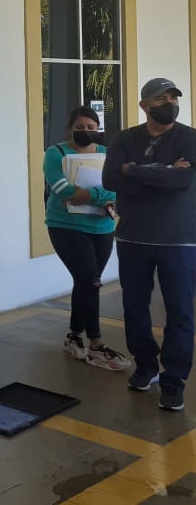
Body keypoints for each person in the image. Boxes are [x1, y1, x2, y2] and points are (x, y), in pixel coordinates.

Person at [103, 78, 196, 411]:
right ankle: (145, 366)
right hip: (133, 238)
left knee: (180, 310)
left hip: (180, 240)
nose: (169, 103)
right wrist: (163, 172)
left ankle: (173, 380)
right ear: (144, 105)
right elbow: (111, 179)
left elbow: (182, 181)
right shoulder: (125, 138)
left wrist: (134, 170)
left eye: (173, 97)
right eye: (161, 98)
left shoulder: (190, 138)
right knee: (134, 307)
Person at [43, 106, 129, 371]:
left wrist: (90, 195)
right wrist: (101, 195)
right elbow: (63, 190)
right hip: (66, 227)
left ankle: (73, 337)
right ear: (70, 128)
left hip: (102, 227)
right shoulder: (56, 153)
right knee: (90, 282)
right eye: (80, 127)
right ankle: (96, 345)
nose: (86, 131)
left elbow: (118, 187)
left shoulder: (106, 153)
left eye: (91, 127)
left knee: (86, 283)